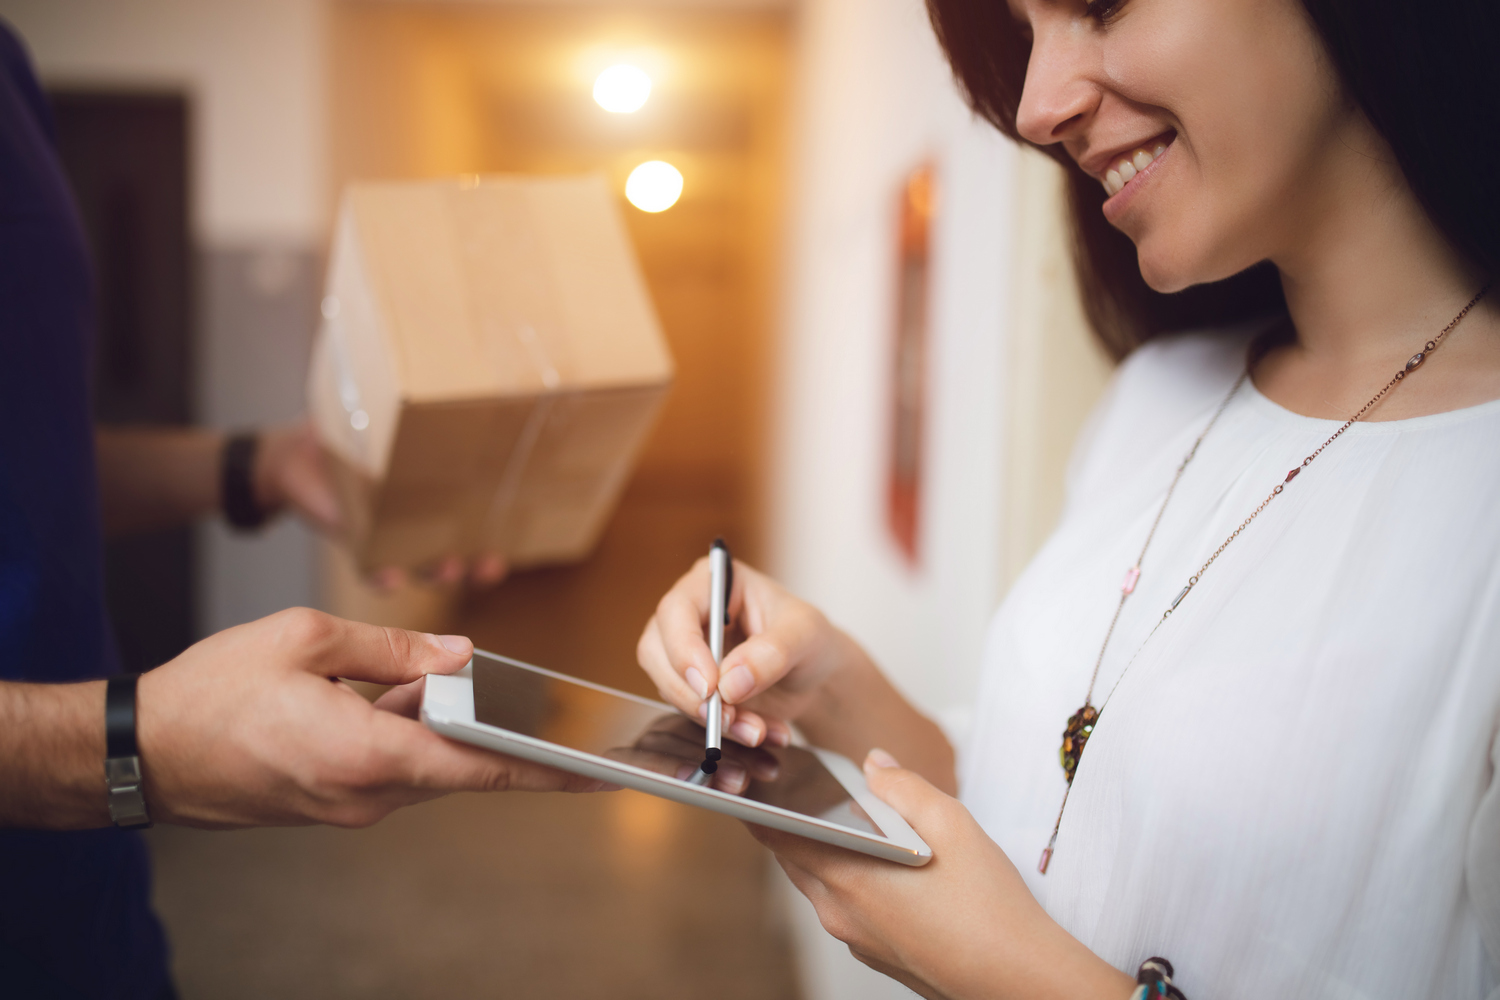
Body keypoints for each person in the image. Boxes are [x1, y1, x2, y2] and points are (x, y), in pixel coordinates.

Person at [636, 0, 1500, 996]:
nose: (1040, 105)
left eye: (1097, 4)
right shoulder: (1155, 396)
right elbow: (1057, 815)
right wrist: (830, 684)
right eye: (1028, 38)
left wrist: (1005, 975)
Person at [0, 22, 594, 1000]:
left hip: (89, 917)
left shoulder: (13, 69)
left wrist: (264, 467)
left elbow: (28, 471)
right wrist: (132, 743)